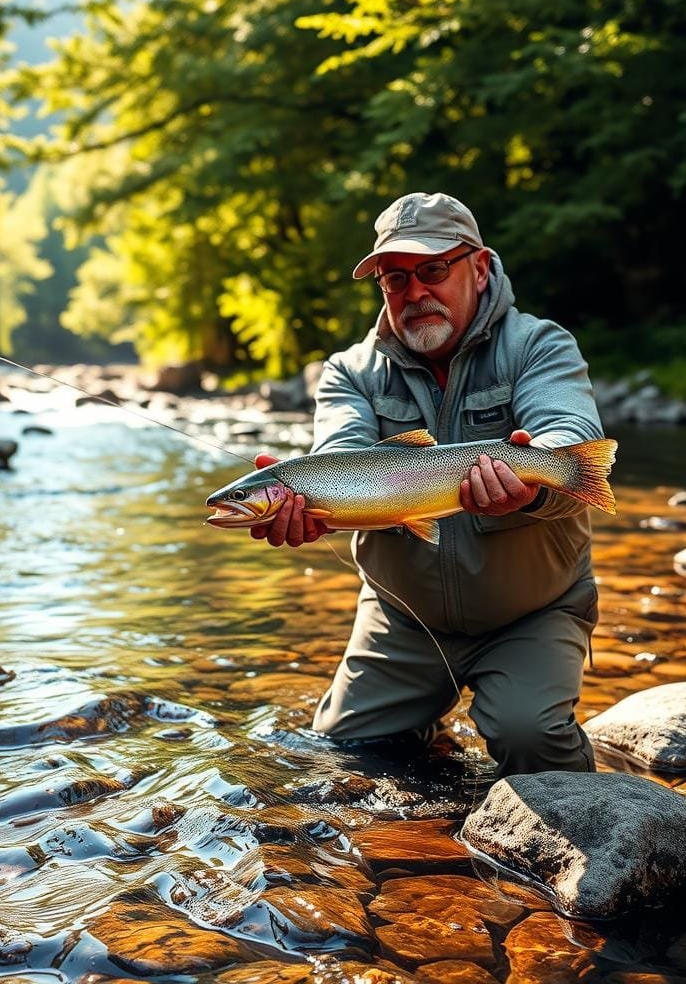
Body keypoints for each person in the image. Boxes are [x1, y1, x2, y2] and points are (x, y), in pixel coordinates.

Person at [251, 191, 603, 777]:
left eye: (433, 270)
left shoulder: (539, 345)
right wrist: (313, 503)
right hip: (402, 617)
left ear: (480, 266)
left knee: (532, 740)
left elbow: (569, 430)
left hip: (531, 611)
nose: (414, 293)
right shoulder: (350, 371)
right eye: (395, 279)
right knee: (347, 762)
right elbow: (341, 455)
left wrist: (536, 474)